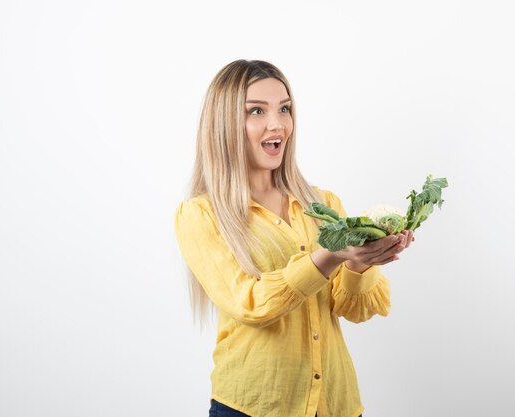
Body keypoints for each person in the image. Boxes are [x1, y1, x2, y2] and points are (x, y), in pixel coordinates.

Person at [173, 59, 413, 417]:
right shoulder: (201, 215)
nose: (278, 124)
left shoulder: (323, 205)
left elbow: (357, 309)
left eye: (284, 109)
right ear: (224, 125)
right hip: (252, 407)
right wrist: (329, 257)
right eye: (257, 110)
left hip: (336, 404)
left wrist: (359, 266)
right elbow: (250, 304)